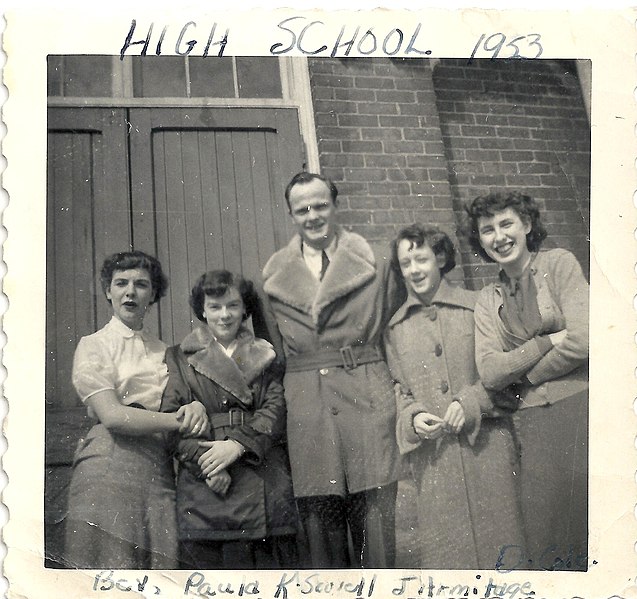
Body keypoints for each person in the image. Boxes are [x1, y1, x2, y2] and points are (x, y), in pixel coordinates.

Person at [260, 171, 404, 568]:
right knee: (319, 515)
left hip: (366, 391)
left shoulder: (377, 261)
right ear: (291, 215)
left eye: (321, 205)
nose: (312, 215)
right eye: (302, 209)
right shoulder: (272, 277)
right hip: (308, 402)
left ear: (336, 206)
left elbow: (394, 323)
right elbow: (274, 346)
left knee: (374, 511)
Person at [384, 223, 525, 569]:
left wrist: (472, 402)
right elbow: (398, 389)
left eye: (422, 259)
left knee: (507, 564)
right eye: (406, 263)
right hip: (435, 464)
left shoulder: (479, 307)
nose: (414, 269)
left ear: (441, 258)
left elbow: (514, 378)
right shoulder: (395, 329)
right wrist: (413, 418)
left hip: (489, 454)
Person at [466, 191, 589, 570]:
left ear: (527, 225)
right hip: (530, 422)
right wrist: (544, 342)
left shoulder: (559, 264)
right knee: (546, 534)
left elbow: (585, 338)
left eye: (507, 224)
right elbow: (489, 371)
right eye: (488, 230)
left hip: (581, 409)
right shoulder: (488, 299)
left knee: (589, 520)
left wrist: (525, 375)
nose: (499, 237)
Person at [64, 251, 208, 569]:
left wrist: (195, 404)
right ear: (108, 291)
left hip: (158, 470)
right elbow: (113, 415)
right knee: (111, 574)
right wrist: (179, 419)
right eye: (121, 283)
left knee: (160, 573)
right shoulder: (94, 345)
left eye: (141, 284)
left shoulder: (166, 351)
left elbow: (184, 395)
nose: (130, 291)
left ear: (153, 294)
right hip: (108, 466)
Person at [161, 270, 298, 570]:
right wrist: (208, 465)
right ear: (203, 311)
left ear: (245, 309)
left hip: (260, 474)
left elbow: (274, 410)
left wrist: (237, 446)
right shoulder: (180, 358)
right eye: (215, 306)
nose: (224, 315)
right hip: (206, 490)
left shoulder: (267, 355)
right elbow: (172, 423)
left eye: (233, 305)